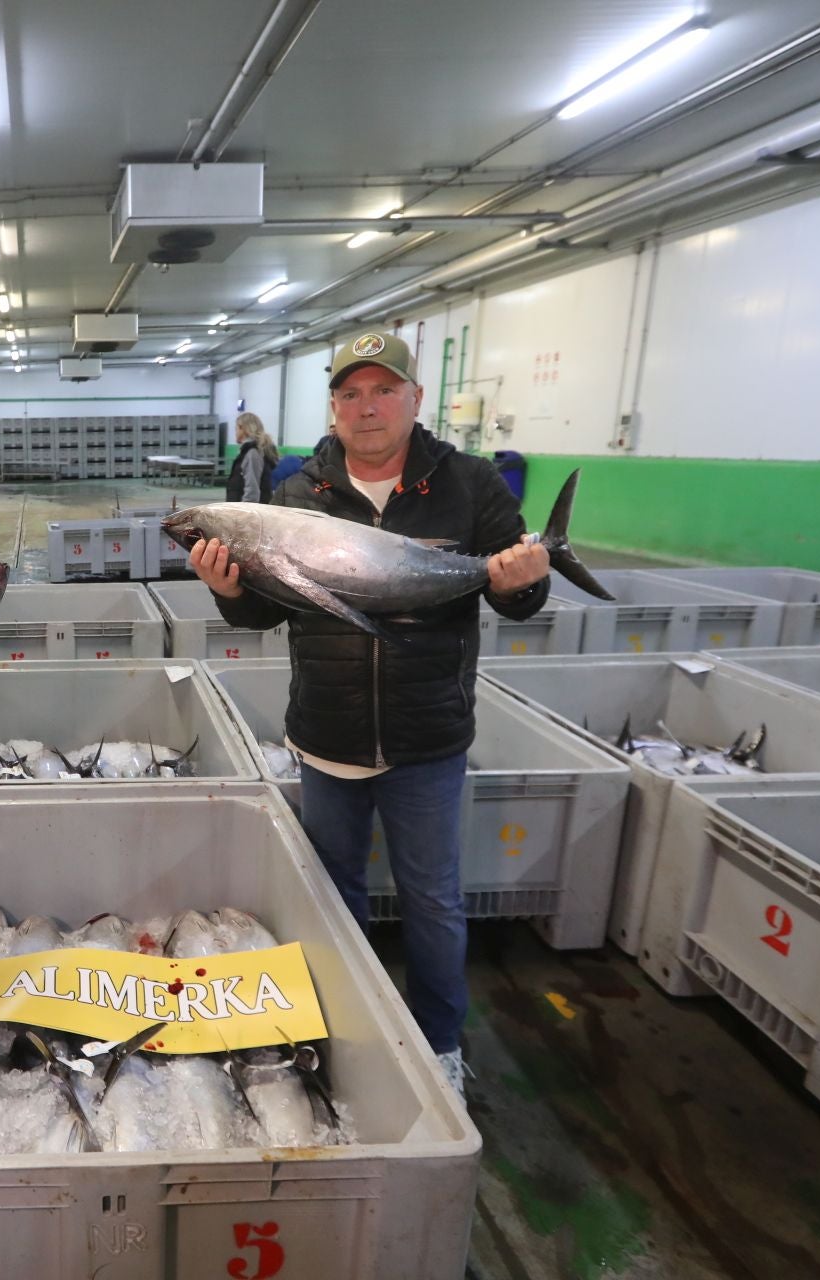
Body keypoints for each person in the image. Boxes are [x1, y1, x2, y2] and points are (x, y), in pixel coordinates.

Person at [188, 328, 549, 1096]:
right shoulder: (297, 493)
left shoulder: (470, 483)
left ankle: (440, 1043)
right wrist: (227, 589)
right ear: (334, 407)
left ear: (416, 399)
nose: (367, 406)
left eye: (384, 389)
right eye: (351, 393)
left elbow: (518, 600)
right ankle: (345, 1037)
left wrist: (520, 577)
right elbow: (264, 613)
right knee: (333, 896)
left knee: (434, 901)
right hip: (328, 731)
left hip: (427, 736)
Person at [225, 411, 279, 502]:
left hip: (246, 512)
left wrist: (243, 514)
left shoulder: (252, 453)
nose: (235, 432)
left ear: (243, 429)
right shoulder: (247, 451)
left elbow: (252, 491)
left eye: (236, 429)